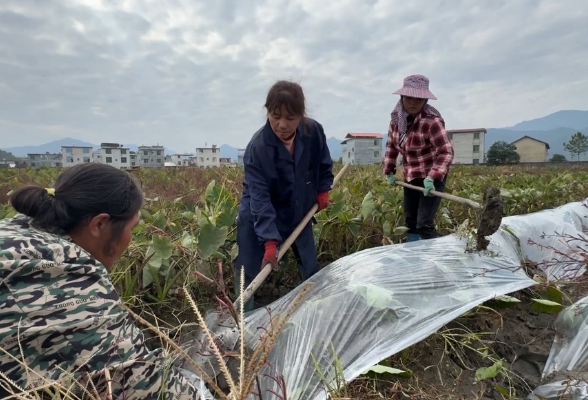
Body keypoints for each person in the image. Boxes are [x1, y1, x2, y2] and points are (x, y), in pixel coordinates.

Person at [0, 163, 204, 399]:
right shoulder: (65, 274)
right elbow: (145, 385)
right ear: (99, 224)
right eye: (133, 227)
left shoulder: (16, 228)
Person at [235, 80, 334, 310]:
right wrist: (270, 240)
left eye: (290, 118)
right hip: (259, 213)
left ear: (301, 116)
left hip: (299, 209)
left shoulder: (313, 132)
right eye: (275, 115)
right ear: (267, 112)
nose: (281, 124)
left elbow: (323, 163)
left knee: (309, 265)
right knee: (248, 270)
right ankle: (244, 317)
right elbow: (259, 197)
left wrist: (323, 189)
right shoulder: (258, 148)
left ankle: (313, 309)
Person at [383, 74, 454, 242]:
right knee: (411, 221)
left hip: (431, 176)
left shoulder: (432, 121)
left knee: (424, 224)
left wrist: (432, 177)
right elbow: (392, 146)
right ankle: (414, 255)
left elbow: (446, 152)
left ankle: (442, 251)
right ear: (402, 98)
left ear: (425, 101)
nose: (413, 103)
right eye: (409, 98)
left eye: (418, 99)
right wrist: (389, 170)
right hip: (411, 175)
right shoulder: (396, 122)